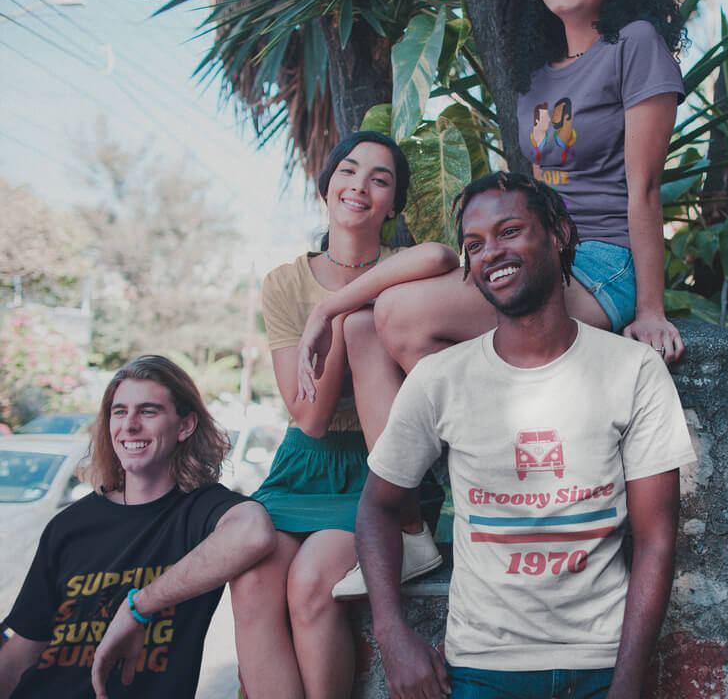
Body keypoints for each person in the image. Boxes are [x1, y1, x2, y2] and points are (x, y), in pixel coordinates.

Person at [357, 172, 697, 699]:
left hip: (601, 665)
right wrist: (392, 634)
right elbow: (377, 507)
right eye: (474, 244)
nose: (491, 252)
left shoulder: (632, 371)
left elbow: (655, 539)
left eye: (509, 231)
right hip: (479, 670)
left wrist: (627, 685)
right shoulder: (440, 378)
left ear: (559, 234)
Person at [371, 0, 686, 379]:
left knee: (400, 313)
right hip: (542, 252)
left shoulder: (636, 44)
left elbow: (644, 188)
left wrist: (651, 312)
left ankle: (480, 439)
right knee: (365, 329)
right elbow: (541, 195)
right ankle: (485, 435)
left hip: (605, 263)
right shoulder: (536, 75)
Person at [231, 131, 454, 699]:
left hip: (378, 467)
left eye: (380, 179)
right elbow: (309, 417)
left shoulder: (405, 267)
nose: (359, 186)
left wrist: (334, 307)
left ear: (394, 205)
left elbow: (443, 255)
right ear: (326, 184)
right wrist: (331, 313)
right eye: (348, 172)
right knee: (253, 581)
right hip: (304, 464)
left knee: (310, 584)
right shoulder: (285, 281)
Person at [0, 355, 275, 699]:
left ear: (185, 426)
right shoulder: (68, 526)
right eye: (119, 412)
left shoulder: (202, 511)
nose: (129, 425)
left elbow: (254, 532)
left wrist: (138, 607)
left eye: (148, 412)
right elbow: (23, 648)